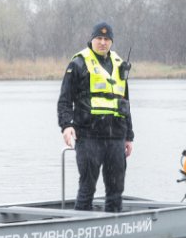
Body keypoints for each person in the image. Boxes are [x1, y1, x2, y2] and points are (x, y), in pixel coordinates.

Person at [57, 22, 134, 212]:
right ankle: (80, 232)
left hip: (116, 138)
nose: (102, 42)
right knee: (87, 188)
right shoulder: (78, 63)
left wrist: (129, 137)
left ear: (111, 42)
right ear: (92, 40)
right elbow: (64, 100)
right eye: (98, 38)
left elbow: (125, 102)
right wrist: (66, 126)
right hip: (89, 137)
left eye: (107, 39)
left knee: (116, 190)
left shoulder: (119, 64)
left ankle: (114, 230)